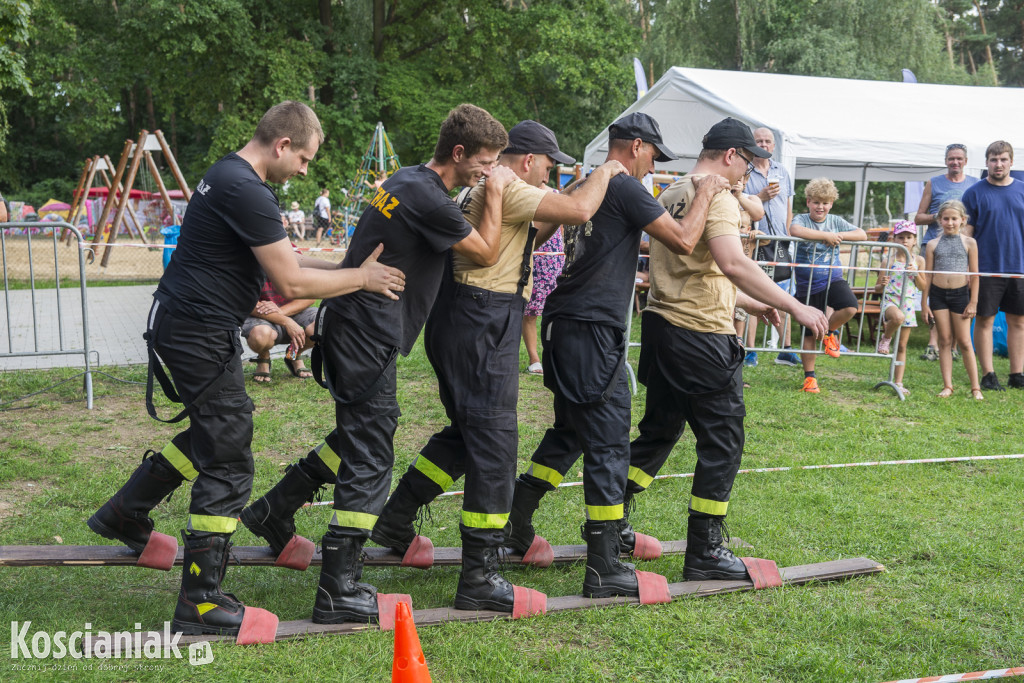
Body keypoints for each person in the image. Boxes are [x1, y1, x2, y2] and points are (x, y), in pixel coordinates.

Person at [86, 101, 406, 640]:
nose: (305, 169)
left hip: (190, 326)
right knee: (230, 452)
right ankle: (201, 602)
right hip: (196, 331)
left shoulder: (228, 175)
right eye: (304, 158)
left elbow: (292, 261)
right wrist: (363, 280)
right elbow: (293, 284)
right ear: (282, 145)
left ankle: (126, 512)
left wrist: (351, 268)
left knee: (217, 431)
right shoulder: (247, 188)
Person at [241, 103, 516, 625]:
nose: (488, 171)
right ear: (458, 153)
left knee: (360, 431)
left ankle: (274, 509)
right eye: (485, 162)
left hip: (352, 326)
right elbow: (484, 251)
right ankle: (338, 587)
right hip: (366, 333)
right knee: (371, 453)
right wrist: (498, 193)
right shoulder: (430, 199)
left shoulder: (408, 180)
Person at [369, 120, 627, 613]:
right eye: (547, 168)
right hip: (482, 319)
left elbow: (539, 227)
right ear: (527, 161)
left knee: (467, 434)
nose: (548, 177)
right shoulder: (509, 188)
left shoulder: (496, 190)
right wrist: (609, 169)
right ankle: (479, 577)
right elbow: (577, 210)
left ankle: (397, 518)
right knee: (494, 442)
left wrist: (566, 187)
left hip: (464, 316)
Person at [504, 112, 733, 599]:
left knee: (570, 432)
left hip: (565, 325)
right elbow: (686, 239)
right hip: (590, 330)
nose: (654, 166)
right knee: (608, 443)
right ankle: (605, 563)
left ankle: (516, 522)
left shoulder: (591, 184)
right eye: (653, 154)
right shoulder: (626, 186)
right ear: (634, 146)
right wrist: (710, 193)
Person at [788, 178, 868, 393]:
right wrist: (824, 235)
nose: (820, 207)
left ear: (831, 203)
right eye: (816, 202)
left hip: (833, 278)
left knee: (850, 306)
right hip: (807, 284)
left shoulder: (835, 221)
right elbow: (795, 230)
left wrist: (837, 235)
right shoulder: (802, 219)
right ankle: (810, 378)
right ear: (808, 202)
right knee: (809, 332)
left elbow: (862, 234)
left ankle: (829, 332)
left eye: (825, 203)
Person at [963, 141, 1024, 391]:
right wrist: (967, 270)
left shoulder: (1022, 190)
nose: (998, 164)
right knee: (985, 320)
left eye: (1003, 160)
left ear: (1011, 162)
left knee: (1018, 321)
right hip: (985, 268)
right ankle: (988, 374)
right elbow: (966, 236)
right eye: (993, 160)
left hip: (1019, 268)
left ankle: (1017, 373)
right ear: (986, 162)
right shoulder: (974, 193)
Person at [914, 143, 980, 361]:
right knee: (935, 291)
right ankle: (933, 344)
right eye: (951, 158)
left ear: (966, 162)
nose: (955, 162)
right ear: (945, 161)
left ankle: (952, 346)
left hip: (962, 248)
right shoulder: (934, 183)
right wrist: (942, 216)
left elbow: (977, 217)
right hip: (934, 245)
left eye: (959, 159)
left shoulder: (975, 184)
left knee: (959, 292)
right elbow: (918, 217)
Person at [744, 127, 801, 367]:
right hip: (754, 240)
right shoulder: (745, 171)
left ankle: (786, 349)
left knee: (784, 294)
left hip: (780, 242)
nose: (764, 145)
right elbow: (740, 202)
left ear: (774, 146)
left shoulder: (782, 171)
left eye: (768, 141)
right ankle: (750, 350)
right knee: (752, 294)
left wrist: (788, 234)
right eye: (759, 141)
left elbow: (787, 205)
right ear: (753, 144)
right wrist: (762, 195)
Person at [921, 200, 982, 399]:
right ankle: (948, 385)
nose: (950, 223)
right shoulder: (932, 244)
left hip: (960, 295)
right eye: (945, 218)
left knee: (964, 341)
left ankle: (976, 388)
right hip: (938, 296)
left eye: (954, 219)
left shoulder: (969, 243)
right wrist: (925, 303)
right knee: (944, 340)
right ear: (939, 220)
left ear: (962, 220)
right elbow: (928, 275)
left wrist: (973, 302)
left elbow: (974, 275)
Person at [874, 220, 926, 397]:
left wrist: (915, 273)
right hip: (891, 301)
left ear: (914, 240)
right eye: (901, 237)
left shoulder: (918, 260)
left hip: (908, 303)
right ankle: (886, 337)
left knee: (902, 346)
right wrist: (882, 283)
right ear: (894, 238)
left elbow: (923, 286)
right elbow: (877, 288)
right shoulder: (888, 261)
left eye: (908, 237)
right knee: (896, 318)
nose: (905, 241)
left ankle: (898, 382)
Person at [242, 277, 317, 383]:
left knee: (321, 328)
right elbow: (246, 302)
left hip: (293, 309)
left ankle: (293, 355)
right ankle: (264, 356)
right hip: (260, 314)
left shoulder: (292, 262)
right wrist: (286, 321)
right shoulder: (244, 265)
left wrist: (281, 312)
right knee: (260, 336)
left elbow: (310, 295)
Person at [523, 227, 565, 374]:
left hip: (554, 256)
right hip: (531, 251)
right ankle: (534, 359)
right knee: (530, 312)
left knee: (557, 312)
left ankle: (558, 357)